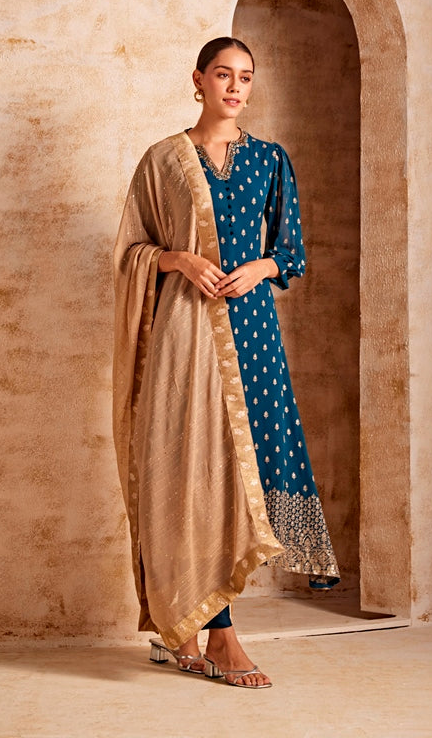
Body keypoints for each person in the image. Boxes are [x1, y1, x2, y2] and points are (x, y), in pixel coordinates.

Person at [113, 37, 339, 689]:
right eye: (223, 75)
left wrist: (261, 267)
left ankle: (207, 630)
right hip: (184, 334)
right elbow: (130, 251)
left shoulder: (270, 159)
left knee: (240, 476)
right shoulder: (163, 160)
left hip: (253, 334)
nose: (235, 87)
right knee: (192, 471)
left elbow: (292, 252)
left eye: (245, 77)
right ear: (198, 80)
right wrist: (180, 259)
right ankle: (213, 633)